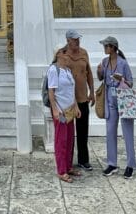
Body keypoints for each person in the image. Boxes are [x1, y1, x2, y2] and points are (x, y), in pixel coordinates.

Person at [97, 35, 136, 178]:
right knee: (110, 131)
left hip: (123, 99)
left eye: (106, 46)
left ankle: (131, 164)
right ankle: (112, 163)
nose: (105, 48)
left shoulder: (123, 63)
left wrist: (122, 79)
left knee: (127, 133)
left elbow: (131, 82)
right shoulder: (105, 62)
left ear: (113, 47)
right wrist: (99, 71)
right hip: (110, 100)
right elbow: (102, 79)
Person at [56, 29, 95, 171]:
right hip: (67, 101)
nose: (77, 42)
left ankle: (84, 160)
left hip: (82, 97)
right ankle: (67, 161)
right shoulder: (62, 54)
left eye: (78, 39)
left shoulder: (84, 53)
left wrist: (92, 91)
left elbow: (89, 72)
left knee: (83, 130)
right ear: (68, 40)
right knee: (68, 133)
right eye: (74, 39)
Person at [46, 50, 80, 183]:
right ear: (59, 54)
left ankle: (68, 166)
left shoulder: (67, 70)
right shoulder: (54, 70)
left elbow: (71, 91)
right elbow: (51, 91)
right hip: (60, 110)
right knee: (61, 141)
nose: (68, 54)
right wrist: (54, 109)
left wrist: (76, 106)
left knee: (70, 140)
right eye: (65, 52)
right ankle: (61, 171)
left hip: (70, 110)